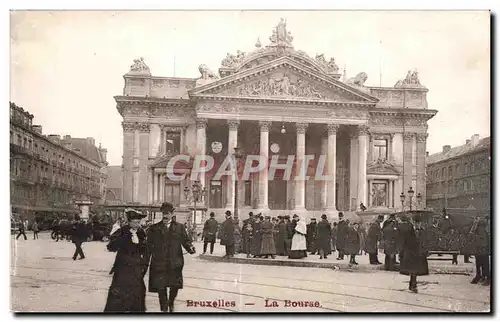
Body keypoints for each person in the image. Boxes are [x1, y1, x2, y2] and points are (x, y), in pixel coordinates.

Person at [145, 202, 196, 313]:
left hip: (175, 262)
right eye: (163, 213)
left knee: (175, 285)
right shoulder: (154, 228)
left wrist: (190, 248)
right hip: (159, 262)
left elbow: (186, 241)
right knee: (160, 286)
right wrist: (145, 260)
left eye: (167, 213)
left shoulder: (180, 227)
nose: (165, 216)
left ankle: (171, 302)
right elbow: (148, 246)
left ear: (172, 214)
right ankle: (164, 307)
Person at [104, 209, 148, 312]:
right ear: (129, 222)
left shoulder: (141, 232)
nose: (137, 225)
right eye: (134, 222)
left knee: (138, 289)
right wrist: (125, 238)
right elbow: (111, 247)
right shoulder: (122, 231)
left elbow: (144, 249)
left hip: (136, 266)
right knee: (119, 289)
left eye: (138, 222)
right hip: (123, 266)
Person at [399, 214, 429, 293]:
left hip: (419, 254)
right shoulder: (408, 231)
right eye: (416, 222)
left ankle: (412, 285)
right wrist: (401, 253)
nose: (417, 224)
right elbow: (404, 242)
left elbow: (425, 242)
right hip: (410, 253)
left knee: (416, 270)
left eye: (419, 222)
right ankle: (413, 285)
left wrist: (426, 251)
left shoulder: (423, 231)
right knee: (413, 270)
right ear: (413, 222)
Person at [470, 217, 490, 286]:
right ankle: (481, 276)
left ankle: (487, 278)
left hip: (483, 250)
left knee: (484, 264)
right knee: (479, 263)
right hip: (478, 249)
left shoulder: (484, 232)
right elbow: (472, 233)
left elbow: (484, 242)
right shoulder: (478, 230)